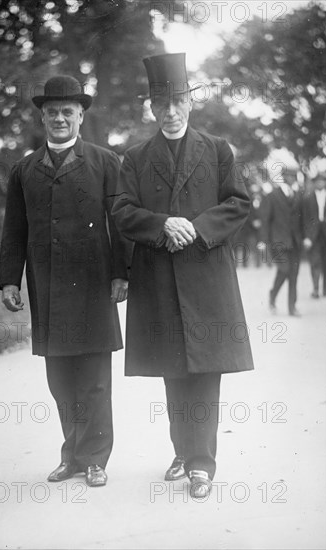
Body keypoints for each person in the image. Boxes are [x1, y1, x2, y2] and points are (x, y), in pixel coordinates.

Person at [112, 53, 254, 499]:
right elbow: (122, 210)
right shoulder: (134, 158)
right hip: (159, 279)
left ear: (190, 103)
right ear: (152, 108)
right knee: (173, 372)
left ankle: (202, 464)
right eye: (160, 103)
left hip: (206, 277)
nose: (169, 111)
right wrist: (161, 224)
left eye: (176, 102)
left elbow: (238, 202)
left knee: (206, 372)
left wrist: (197, 226)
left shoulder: (217, 150)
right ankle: (181, 451)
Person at [0, 75, 130, 487]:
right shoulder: (24, 169)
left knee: (93, 380)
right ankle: (71, 456)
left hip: (93, 286)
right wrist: (9, 281)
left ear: (80, 116)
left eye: (67, 112)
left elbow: (121, 223)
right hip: (48, 286)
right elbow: (13, 229)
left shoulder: (106, 162)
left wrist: (121, 274)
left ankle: (94, 460)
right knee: (60, 381)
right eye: (52, 112)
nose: (59, 118)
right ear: (42, 116)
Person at [258, 167, 303, 316]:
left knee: (294, 274)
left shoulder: (297, 195)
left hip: (295, 241)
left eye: (294, 176)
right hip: (278, 240)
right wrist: (263, 241)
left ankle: (292, 307)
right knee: (284, 270)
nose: (291, 178)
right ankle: (272, 295)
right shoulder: (272, 196)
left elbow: (301, 220)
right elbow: (265, 219)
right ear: (283, 177)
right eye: (288, 176)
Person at [302, 173, 326, 298]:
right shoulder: (308, 197)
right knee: (315, 261)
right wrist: (307, 237)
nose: (320, 183)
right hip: (313, 235)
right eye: (318, 181)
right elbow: (304, 218)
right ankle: (315, 289)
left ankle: (325, 289)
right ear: (314, 183)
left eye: (322, 181)